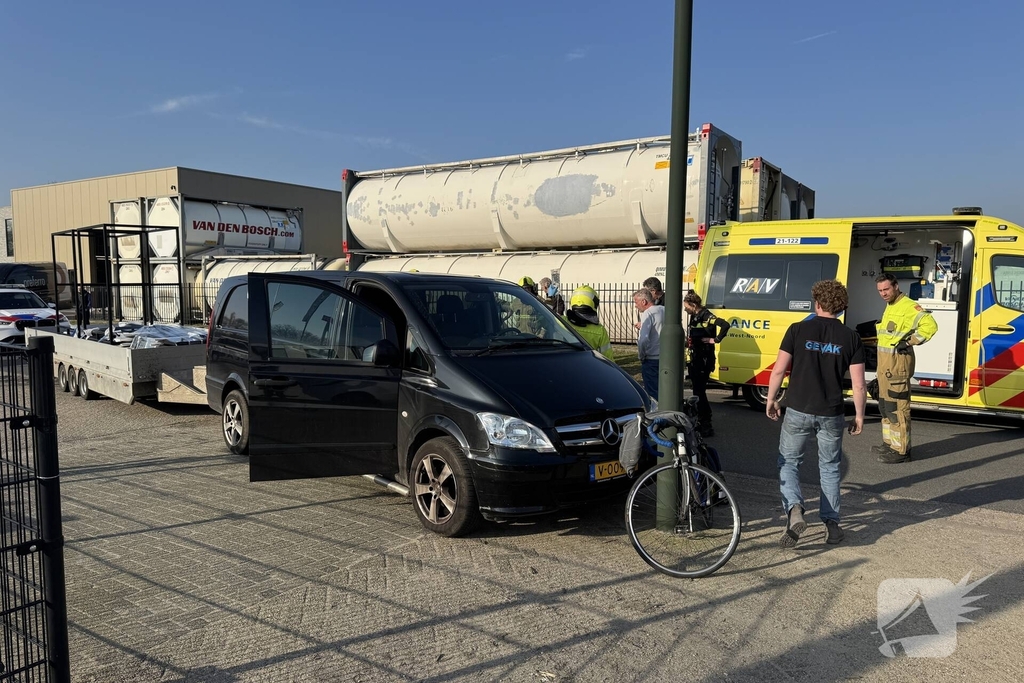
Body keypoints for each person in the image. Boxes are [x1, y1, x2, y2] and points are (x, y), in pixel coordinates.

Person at [765, 279, 867, 548]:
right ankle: (832, 526)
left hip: (798, 407)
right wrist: (859, 415)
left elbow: (779, 370)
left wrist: (772, 398)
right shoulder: (851, 337)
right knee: (830, 468)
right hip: (831, 412)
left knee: (788, 463)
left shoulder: (797, 330)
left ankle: (795, 510)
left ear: (817, 303)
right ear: (841, 307)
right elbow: (858, 384)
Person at [872, 273, 938, 463]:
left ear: (896, 286)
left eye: (886, 289)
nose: (883, 294)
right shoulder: (891, 305)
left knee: (898, 409)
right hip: (886, 367)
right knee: (885, 407)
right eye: (880, 291)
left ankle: (901, 451)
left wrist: (910, 342)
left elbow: (930, 325)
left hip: (897, 366)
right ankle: (889, 444)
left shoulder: (908, 306)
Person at [683, 291, 731, 436]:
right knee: (697, 390)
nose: (685, 309)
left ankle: (706, 423)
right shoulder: (695, 316)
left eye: (686, 307)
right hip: (696, 358)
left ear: (693, 305)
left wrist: (714, 340)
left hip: (703, 360)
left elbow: (725, 325)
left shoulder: (706, 315)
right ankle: (700, 420)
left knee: (700, 392)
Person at [566, 285, 613, 360]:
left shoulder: (560, 322)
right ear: (594, 303)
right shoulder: (599, 330)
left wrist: (550, 299)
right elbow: (608, 359)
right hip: (589, 368)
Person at [633, 289, 664, 400]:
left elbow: (643, 339)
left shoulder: (648, 313)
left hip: (651, 358)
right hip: (666, 358)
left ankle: (656, 417)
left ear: (644, 302)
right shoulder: (663, 309)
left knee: (653, 393)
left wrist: (641, 356)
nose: (635, 306)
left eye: (636, 302)